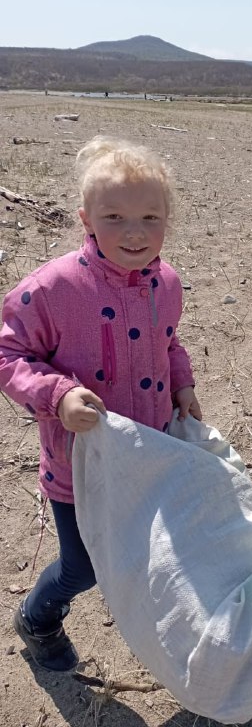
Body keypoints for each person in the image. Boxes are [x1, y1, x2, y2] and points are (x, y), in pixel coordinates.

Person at [0, 135, 201, 672]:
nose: (134, 233)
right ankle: (38, 618)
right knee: (82, 566)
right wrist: (57, 395)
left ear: (167, 221)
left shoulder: (169, 283)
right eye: (115, 217)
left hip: (147, 451)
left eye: (149, 218)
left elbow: (170, 342)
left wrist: (182, 382)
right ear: (86, 218)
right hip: (77, 465)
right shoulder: (53, 287)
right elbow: (8, 352)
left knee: (142, 547)